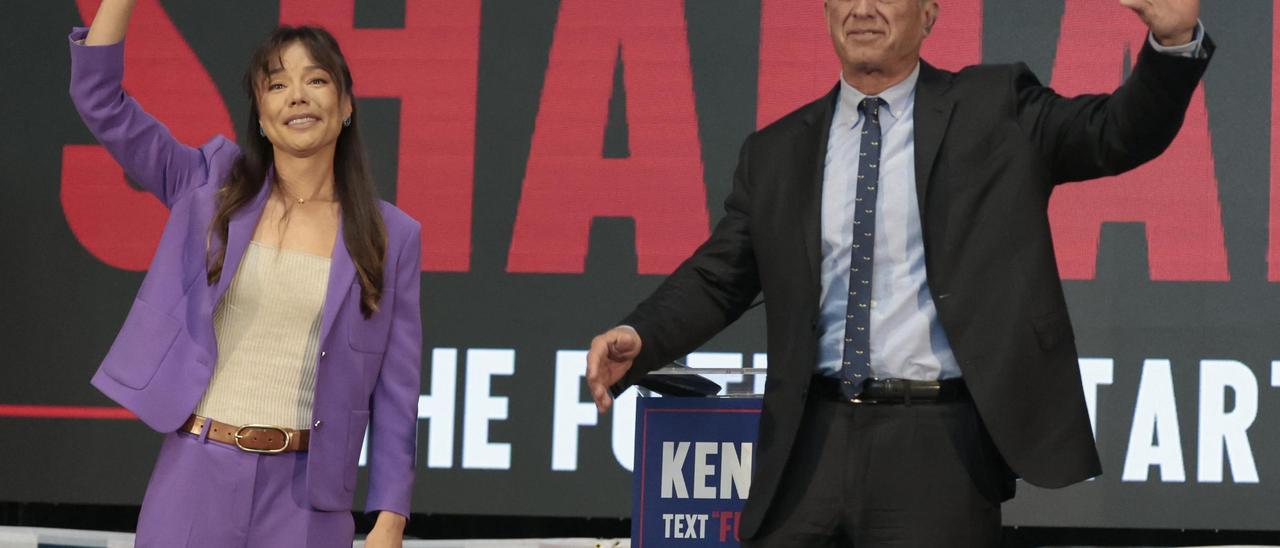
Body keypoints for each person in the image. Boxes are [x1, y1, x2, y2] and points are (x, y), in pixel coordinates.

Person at [586, 0, 1210, 545]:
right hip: (806, 443)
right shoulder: (776, 151)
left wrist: (1172, 47)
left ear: (929, 14)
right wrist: (642, 337)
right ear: (826, 13)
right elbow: (719, 277)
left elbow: (1118, 133)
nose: (862, 9)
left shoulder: (996, 109)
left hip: (937, 445)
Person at [69, 1, 422, 546]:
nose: (298, 96)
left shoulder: (390, 236)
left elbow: (398, 391)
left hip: (308, 500)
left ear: (346, 104)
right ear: (260, 114)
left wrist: (390, 518)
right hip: (196, 474)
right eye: (277, 84)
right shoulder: (210, 187)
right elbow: (101, 104)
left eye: (317, 79)